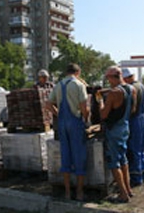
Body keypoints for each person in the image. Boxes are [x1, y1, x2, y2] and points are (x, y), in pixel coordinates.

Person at [46, 63, 89, 201]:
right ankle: (79, 192)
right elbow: (84, 106)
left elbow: (47, 104)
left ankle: (67, 193)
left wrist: (58, 114)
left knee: (66, 156)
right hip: (76, 123)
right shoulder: (78, 85)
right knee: (79, 156)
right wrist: (86, 118)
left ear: (67, 72)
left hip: (63, 124)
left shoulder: (58, 85)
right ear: (78, 72)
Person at [97, 66, 133, 203]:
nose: (107, 81)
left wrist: (100, 101)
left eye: (108, 78)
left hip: (114, 130)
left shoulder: (113, 93)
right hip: (125, 126)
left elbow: (103, 114)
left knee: (114, 162)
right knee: (123, 159)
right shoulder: (131, 89)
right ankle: (128, 189)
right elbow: (132, 108)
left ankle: (123, 194)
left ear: (113, 77)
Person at [122, 68, 144, 188]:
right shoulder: (141, 86)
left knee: (133, 150)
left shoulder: (132, 88)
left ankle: (136, 177)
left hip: (134, 120)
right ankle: (143, 173)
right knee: (141, 149)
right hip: (142, 119)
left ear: (126, 78)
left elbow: (131, 107)